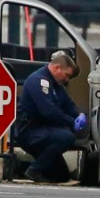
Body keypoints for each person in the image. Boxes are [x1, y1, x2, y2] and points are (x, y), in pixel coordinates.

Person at [15, 51, 87, 183]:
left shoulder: (55, 83)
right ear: (56, 68)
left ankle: (22, 167)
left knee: (62, 176)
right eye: (66, 75)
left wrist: (79, 115)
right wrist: (72, 122)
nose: (67, 80)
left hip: (43, 131)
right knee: (67, 137)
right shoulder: (38, 81)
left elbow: (68, 104)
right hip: (30, 131)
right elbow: (49, 112)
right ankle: (34, 170)